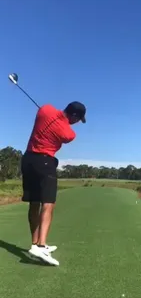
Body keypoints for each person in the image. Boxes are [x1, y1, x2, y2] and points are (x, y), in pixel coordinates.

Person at [21, 101, 86, 266]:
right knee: (48, 204)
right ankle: (41, 246)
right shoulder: (69, 133)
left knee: (34, 203)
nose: (76, 123)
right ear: (74, 116)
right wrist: (63, 122)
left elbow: (47, 111)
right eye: (78, 120)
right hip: (44, 162)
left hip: (27, 160)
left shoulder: (45, 109)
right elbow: (67, 135)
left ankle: (35, 244)